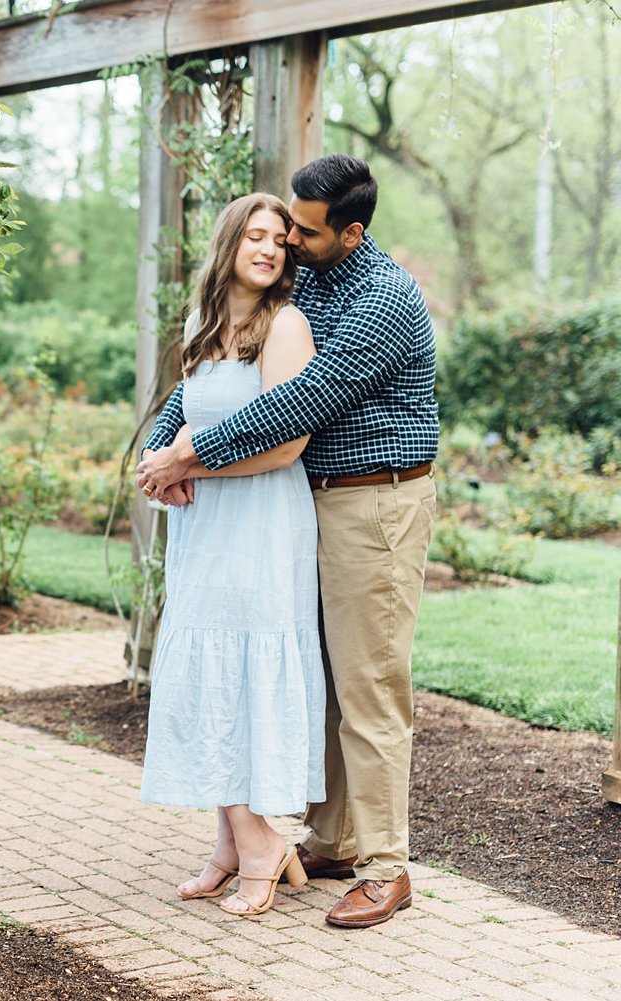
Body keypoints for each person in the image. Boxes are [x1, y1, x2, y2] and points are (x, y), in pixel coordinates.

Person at [136, 154, 438, 929]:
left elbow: (296, 404)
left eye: (303, 231)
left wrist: (185, 456)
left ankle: (386, 865)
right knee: (326, 676)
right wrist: (163, 444)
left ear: (352, 231)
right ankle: (335, 838)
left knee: (370, 686)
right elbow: (212, 367)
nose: (289, 244)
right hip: (311, 503)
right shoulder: (306, 278)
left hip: (378, 500)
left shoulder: (383, 298)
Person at [138, 192, 324, 918]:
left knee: (242, 670)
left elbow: (286, 442)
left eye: (280, 239)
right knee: (210, 669)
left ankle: (262, 844)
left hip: (262, 523)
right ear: (231, 243)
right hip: (206, 528)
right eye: (256, 235)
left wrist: (189, 467)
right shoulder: (205, 324)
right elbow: (181, 416)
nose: (271, 248)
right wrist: (158, 462)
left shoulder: (286, 325)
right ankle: (227, 845)